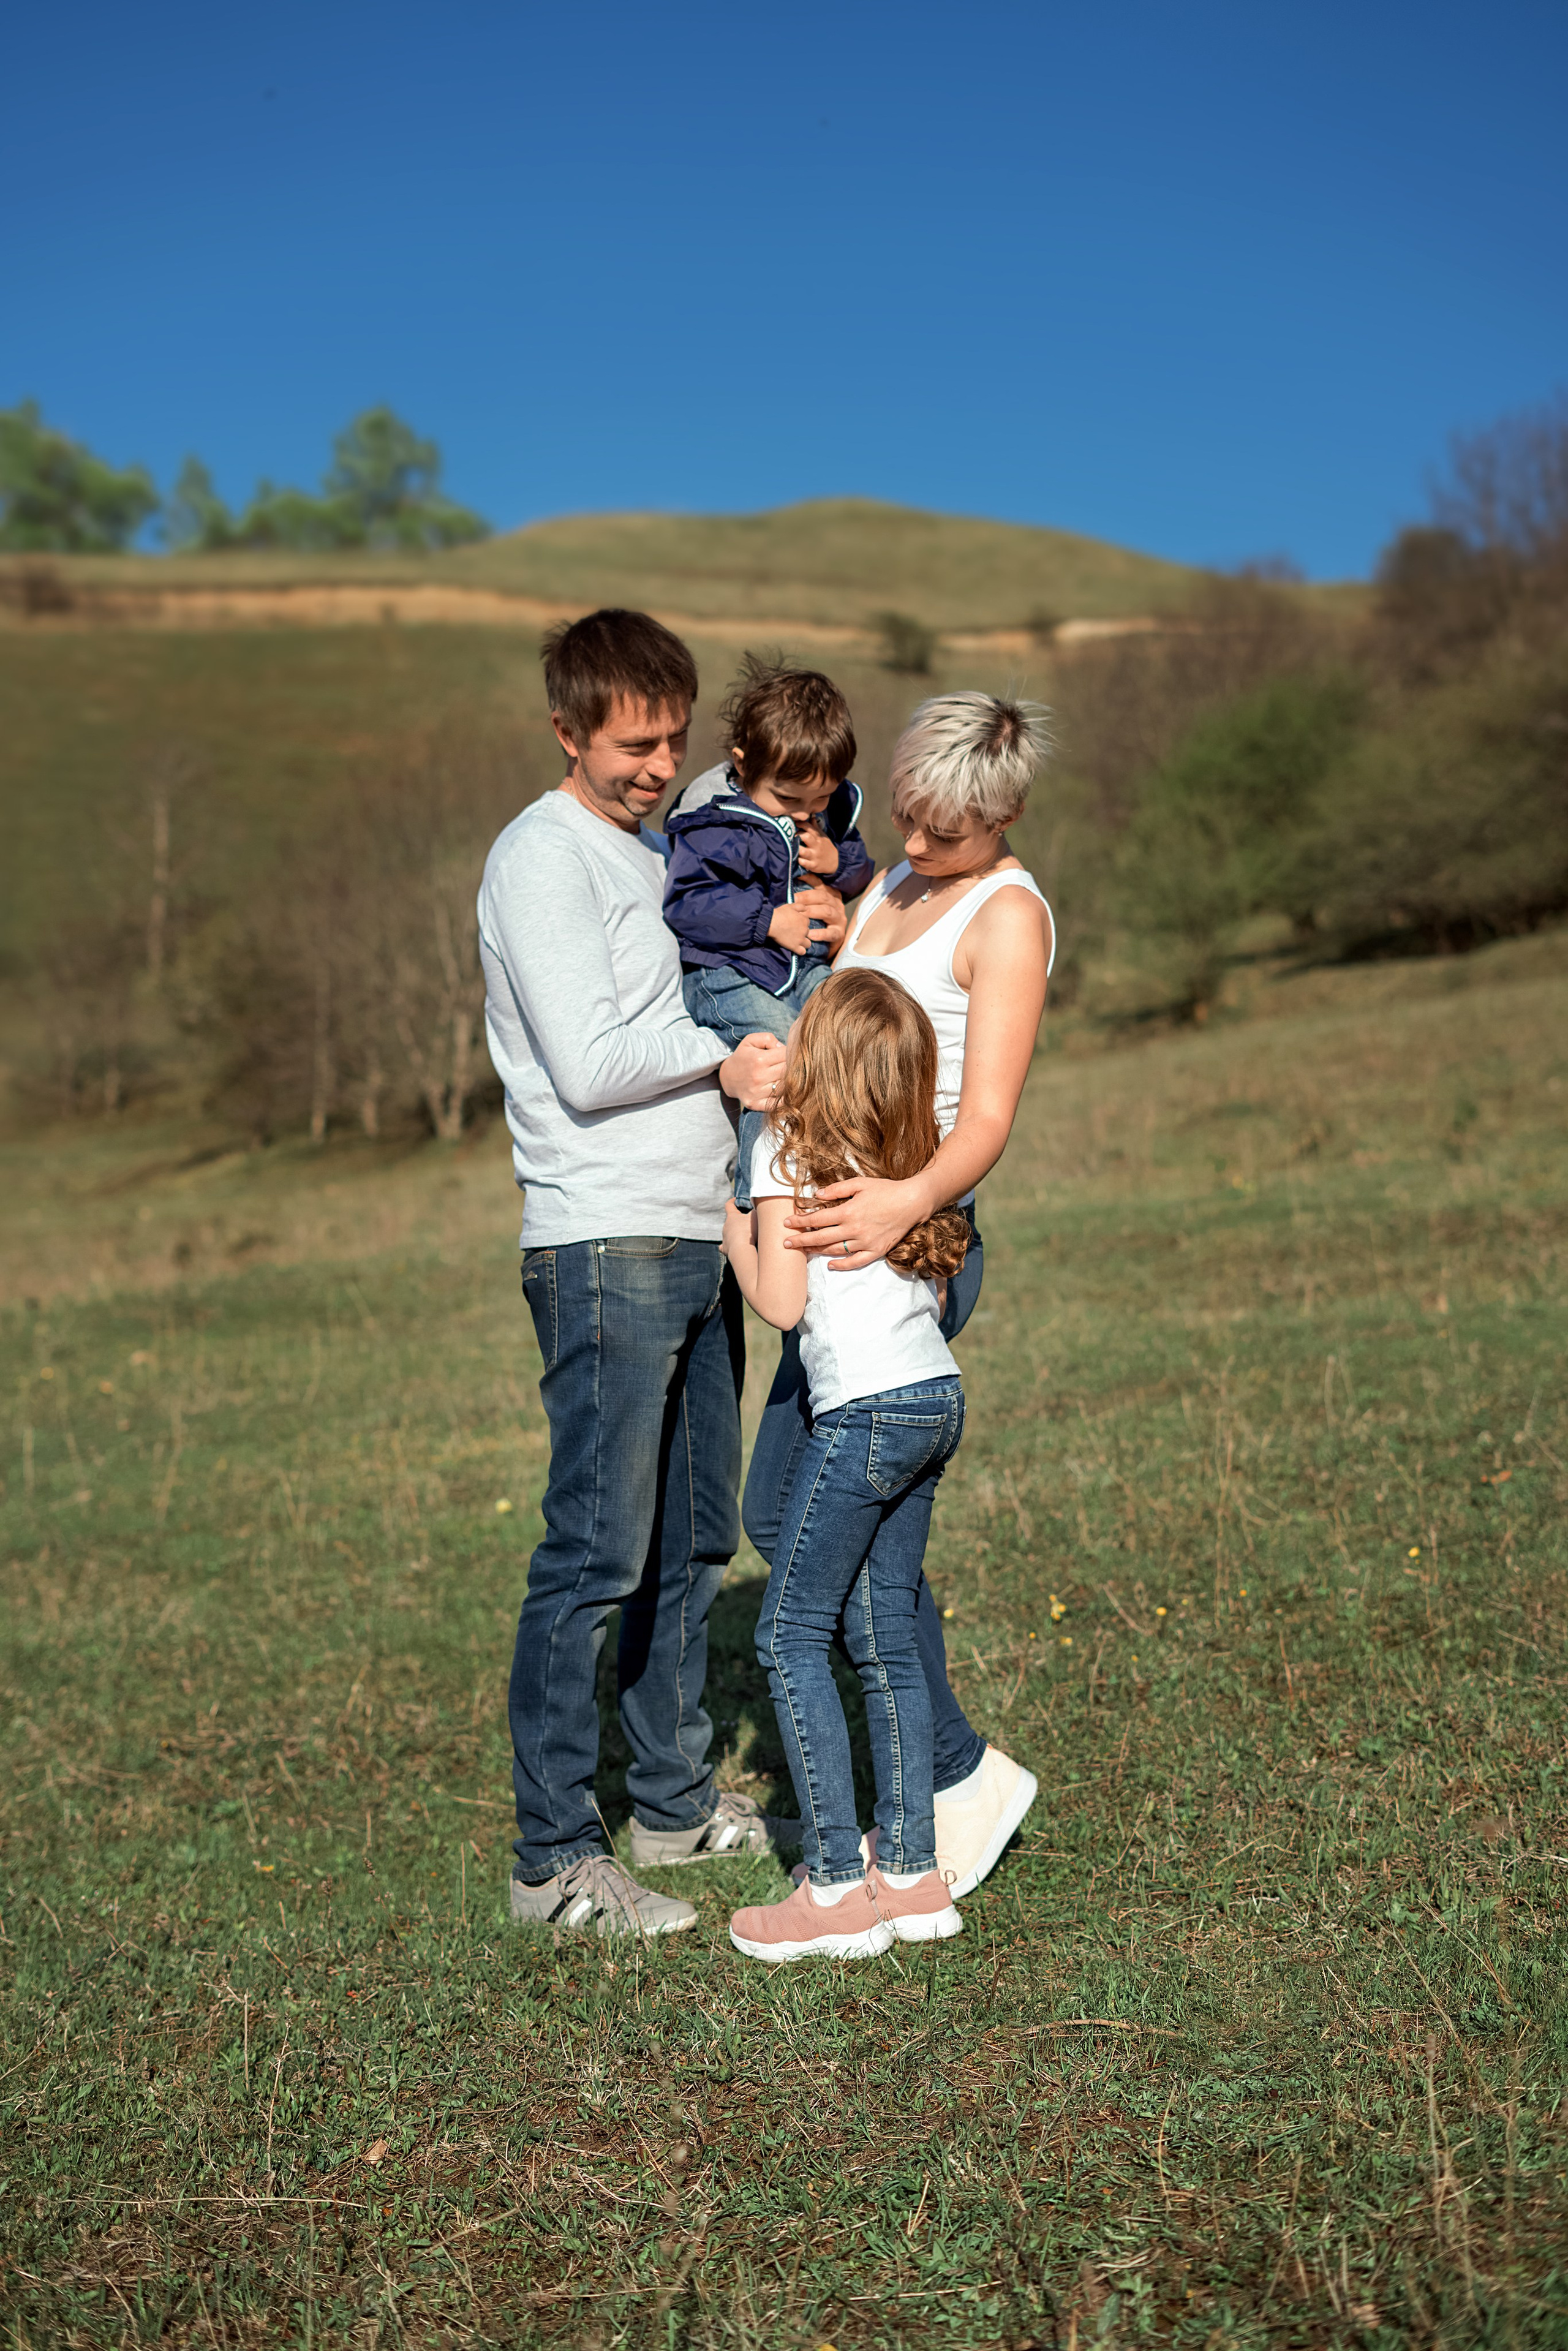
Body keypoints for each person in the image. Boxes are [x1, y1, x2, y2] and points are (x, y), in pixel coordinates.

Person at [477, 608, 790, 1939]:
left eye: (672, 739)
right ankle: (553, 1859)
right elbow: (593, 1058)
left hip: (694, 1227)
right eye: (632, 744)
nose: (660, 766)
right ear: (567, 729)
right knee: (596, 1551)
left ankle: (668, 1803)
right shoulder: (541, 857)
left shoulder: (654, 848)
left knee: (693, 1539)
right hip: (602, 1240)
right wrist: (727, 1052)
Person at [741, 692, 1057, 1900]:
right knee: (810, 1518)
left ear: (1004, 817)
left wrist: (901, 1201)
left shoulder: (1007, 916)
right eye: (908, 818)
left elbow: (987, 1115)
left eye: (944, 832)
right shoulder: (896, 883)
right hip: (842, 1219)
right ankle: (942, 1774)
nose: (914, 845)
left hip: (908, 1231)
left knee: (799, 1508)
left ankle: (951, 1769)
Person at [722, 971, 971, 1962]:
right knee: (885, 1633)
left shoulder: (787, 1147)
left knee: (789, 1635)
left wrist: (737, 1226)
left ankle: (832, 1885)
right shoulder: (909, 1152)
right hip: (935, 1397)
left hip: (863, 1412)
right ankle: (912, 1876)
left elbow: (782, 1303)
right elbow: (937, 1298)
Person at [662, 657, 874, 1208]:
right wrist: (768, 920)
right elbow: (688, 904)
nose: (806, 813)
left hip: (802, 970)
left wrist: (837, 863)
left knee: (848, 1030)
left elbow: (859, 870)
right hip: (730, 975)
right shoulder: (715, 821)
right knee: (779, 1057)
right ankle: (759, 1201)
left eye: (820, 799)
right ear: (743, 765)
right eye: (789, 799)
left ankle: (841, 1173)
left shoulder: (826, 810)